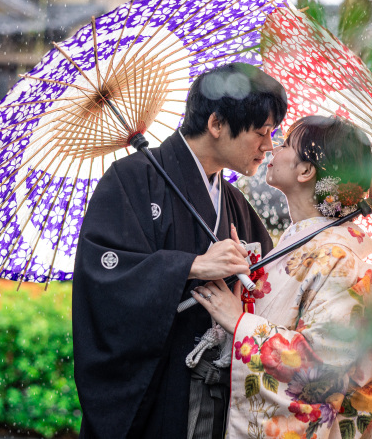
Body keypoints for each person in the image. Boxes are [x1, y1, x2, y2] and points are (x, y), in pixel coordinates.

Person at [72, 62, 288, 439]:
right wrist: (190, 266)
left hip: (222, 391)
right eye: (261, 132)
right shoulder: (131, 179)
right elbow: (102, 275)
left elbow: (269, 288)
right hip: (160, 386)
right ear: (217, 124)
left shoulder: (235, 202)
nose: (268, 146)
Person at [193, 115, 372, 439]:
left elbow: (322, 366)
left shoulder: (341, 262)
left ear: (306, 171)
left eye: (287, 143)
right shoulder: (305, 248)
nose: (274, 146)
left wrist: (239, 322)